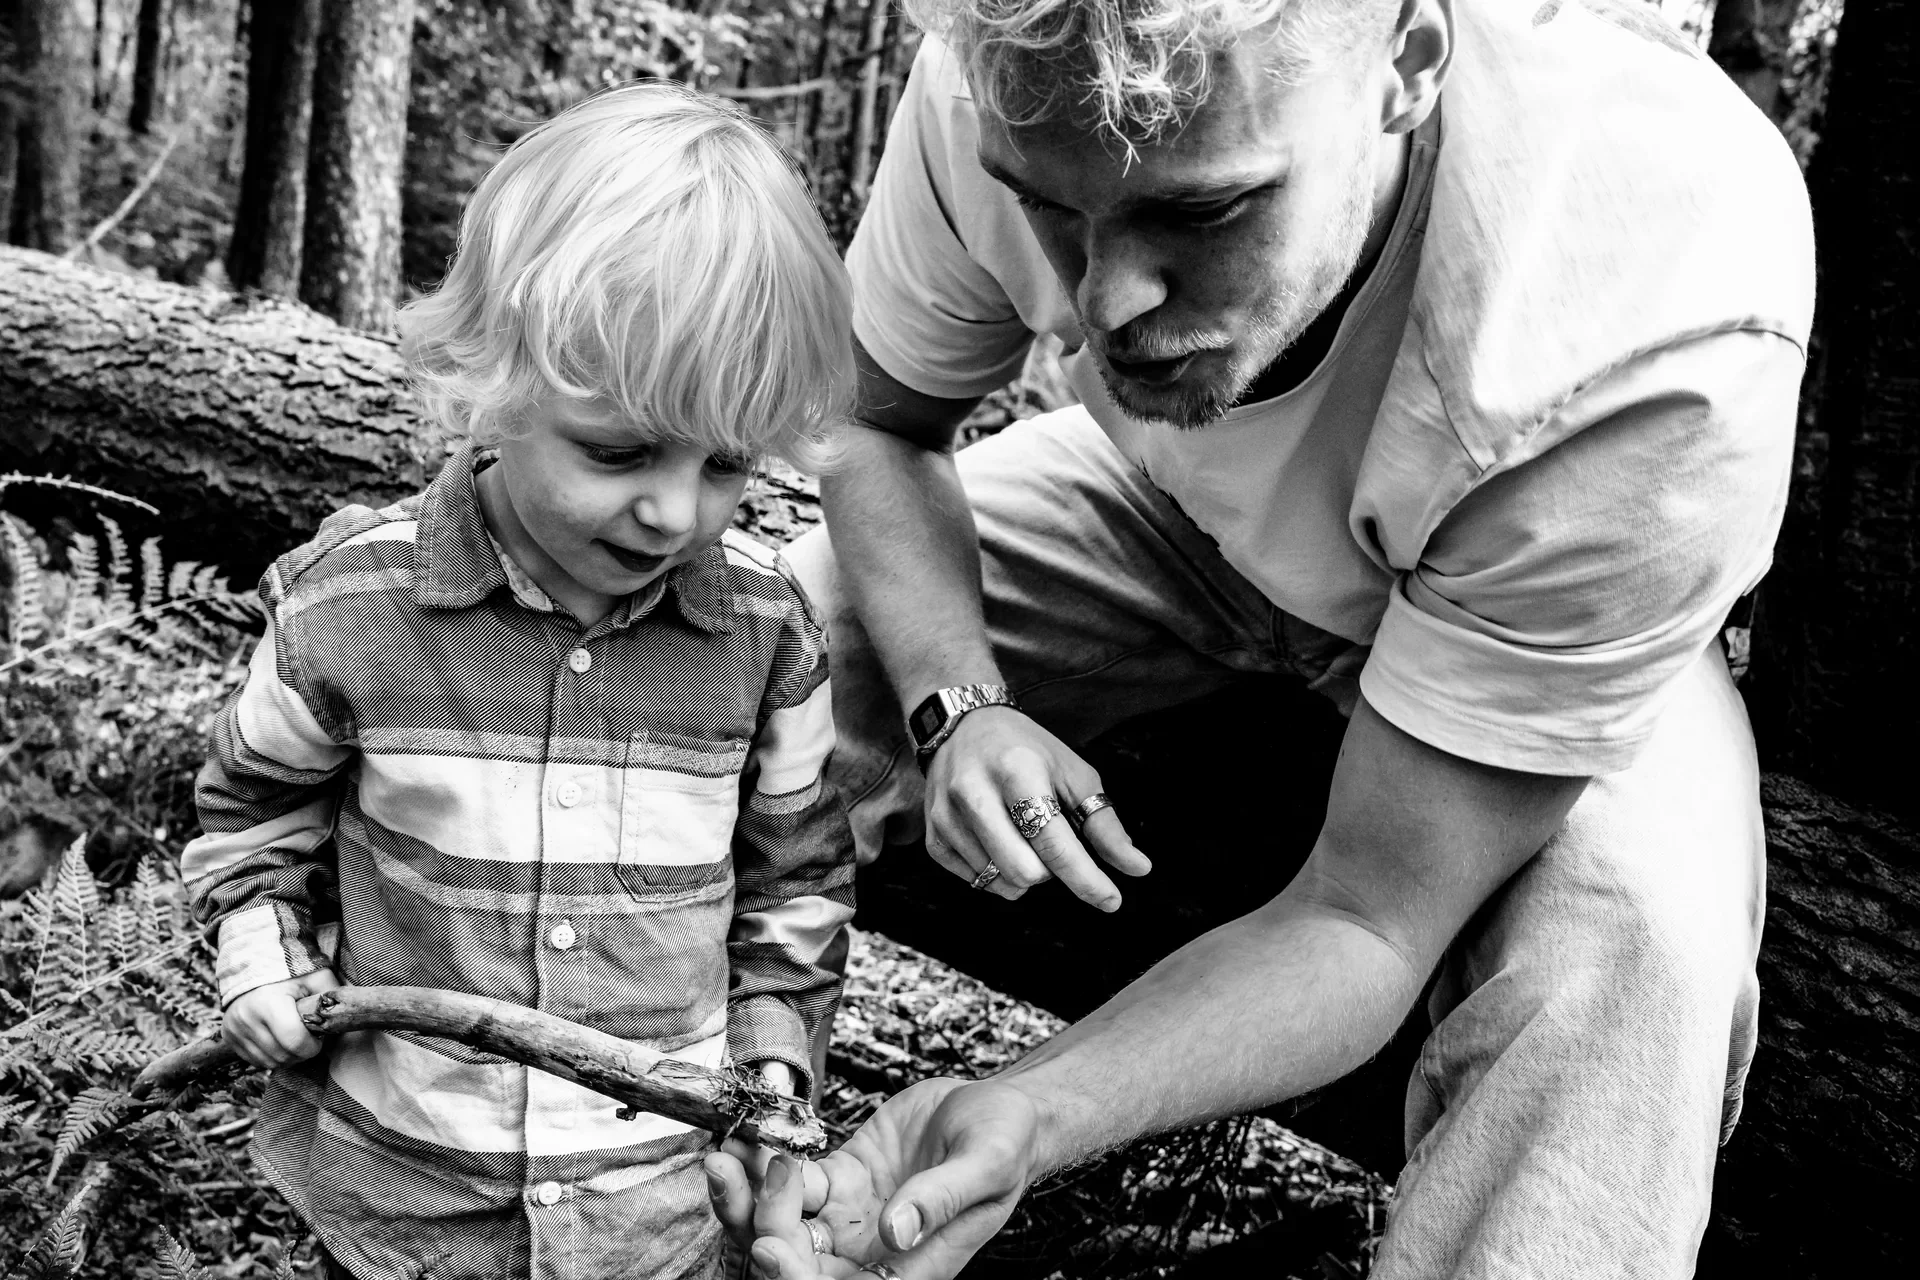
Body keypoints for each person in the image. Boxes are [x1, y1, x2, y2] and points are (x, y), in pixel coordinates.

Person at [709, 0, 1814, 1276]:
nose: (1107, 299)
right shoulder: (1006, 74)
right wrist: (958, 700)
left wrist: (1030, 1110)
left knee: (1630, 961)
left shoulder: (1662, 314)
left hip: (1531, 564)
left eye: (1204, 209)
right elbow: (878, 420)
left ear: (1408, 62)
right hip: (1164, 505)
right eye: (1050, 207)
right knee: (755, 656)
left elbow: (1369, 917)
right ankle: (620, 1160)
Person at [180, 84, 859, 1280]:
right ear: (494, 378)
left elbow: (794, 878)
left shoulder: (765, 634)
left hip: (656, 1208)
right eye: (619, 449)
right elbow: (251, 817)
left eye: (726, 463)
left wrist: (771, 1060)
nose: (672, 510)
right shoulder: (352, 608)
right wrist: (261, 942)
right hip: (404, 1195)